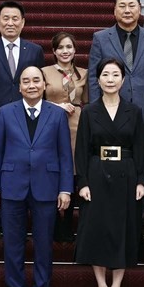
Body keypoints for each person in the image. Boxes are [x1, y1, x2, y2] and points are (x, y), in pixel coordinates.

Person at [0, 66, 73, 287]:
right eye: (27, 81)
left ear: (45, 85)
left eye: (37, 80)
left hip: (47, 186)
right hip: (12, 186)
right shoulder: (5, 113)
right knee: (12, 242)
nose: (32, 85)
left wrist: (65, 189)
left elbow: (65, 155)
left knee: (44, 242)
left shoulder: (56, 115)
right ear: (20, 86)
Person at [74, 58, 144, 287]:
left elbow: (141, 149)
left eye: (116, 75)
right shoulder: (89, 111)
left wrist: (140, 180)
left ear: (123, 80)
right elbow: (81, 150)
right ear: (98, 79)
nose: (110, 79)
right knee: (98, 230)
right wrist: (82, 181)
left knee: (122, 230)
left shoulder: (134, 111)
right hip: (96, 174)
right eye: (105, 74)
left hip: (126, 176)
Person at [0, 0, 45, 242]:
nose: (10, 23)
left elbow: (38, 85)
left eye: (15, 18)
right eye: (5, 18)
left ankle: (26, 217)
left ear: (23, 22)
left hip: (27, 120)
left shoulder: (34, 50)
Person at [42, 32, 88, 242]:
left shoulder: (84, 74)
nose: (65, 51)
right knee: (54, 171)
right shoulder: (44, 72)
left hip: (77, 125)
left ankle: (69, 223)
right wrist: (57, 106)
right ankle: (52, 222)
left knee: (74, 172)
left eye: (69, 47)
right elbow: (35, 99)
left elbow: (86, 101)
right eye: (60, 47)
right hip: (52, 123)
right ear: (53, 51)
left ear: (75, 50)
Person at [88, 0, 144, 110]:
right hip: (111, 104)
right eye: (122, 6)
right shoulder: (101, 38)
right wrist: (95, 108)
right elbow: (93, 77)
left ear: (139, 9)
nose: (127, 10)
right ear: (115, 11)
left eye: (132, 6)